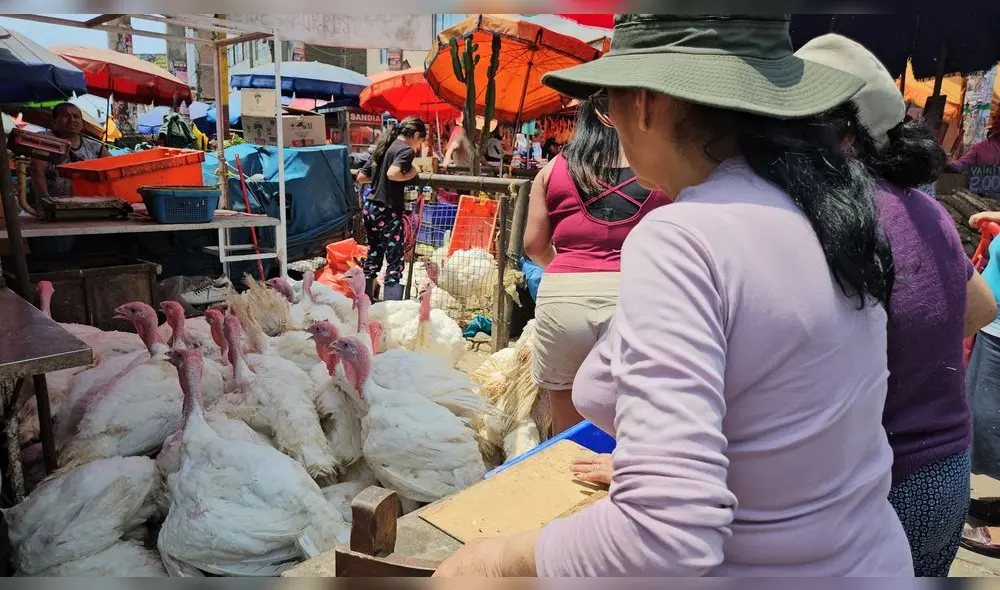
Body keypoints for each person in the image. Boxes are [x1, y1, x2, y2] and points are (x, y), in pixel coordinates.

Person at [434, 14, 912, 577]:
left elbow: (662, 539)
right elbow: (784, 424)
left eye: (608, 103)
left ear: (645, 104)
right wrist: (665, 464)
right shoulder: (829, 213)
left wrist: (492, 563)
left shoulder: (684, 237)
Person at [796, 33, 998, 577]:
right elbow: (980, 308)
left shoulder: (832, 221)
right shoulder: (924, 209)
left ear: (839, 135)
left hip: (880, 484)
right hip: (946, 474)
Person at [524, 98, 671, 435]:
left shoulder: (551, 170)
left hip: (563, 299)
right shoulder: (660, 167)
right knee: (636, 415)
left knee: (565, 424)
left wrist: (562, 267)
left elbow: (533, 245)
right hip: (637, 297)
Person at [355, 116, 426, 301]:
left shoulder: (384, 146)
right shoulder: (405, 150)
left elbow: (361, 177)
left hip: (370, 208)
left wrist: (381, 181)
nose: (418, 146)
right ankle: (391, 307)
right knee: (395, 259)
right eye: (420, 141)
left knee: (374, 253)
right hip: (387, 210)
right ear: (416, 135)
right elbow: (393, 174)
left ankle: (365, 301)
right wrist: (412, 172)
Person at [31, 102, 110, 200]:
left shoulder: (96, 147)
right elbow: (37, 172)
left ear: (82, 122)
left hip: (89, 204)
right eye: (65, 116)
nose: (72, 120)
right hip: (55, 205)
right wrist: (45, 201)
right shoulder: (45, 140)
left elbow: (112, 172)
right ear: (54, 121)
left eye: (76, 116)